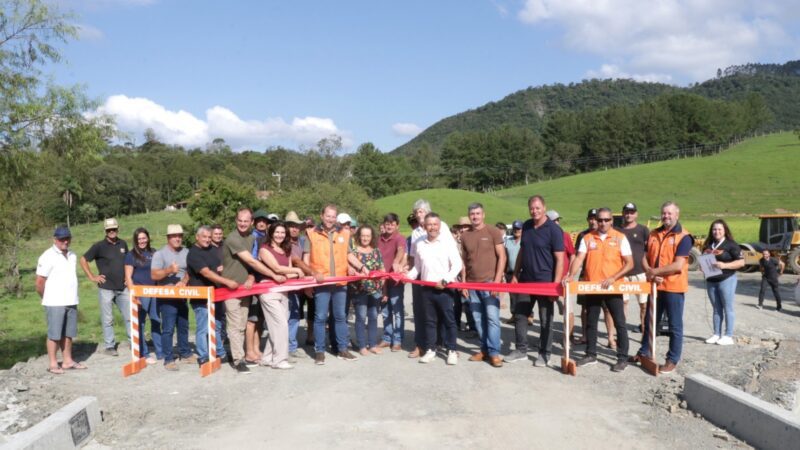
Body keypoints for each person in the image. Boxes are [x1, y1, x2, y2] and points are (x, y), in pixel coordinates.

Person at [566, 208, 633, 372]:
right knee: (591, 323)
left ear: (611, 220)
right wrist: (570, 275)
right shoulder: (588, 238)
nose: (603, 223)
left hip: (613, 287)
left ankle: (622, 358)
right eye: (600, 220)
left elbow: (629, 263)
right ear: (596, 220)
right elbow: (579, 258)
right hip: (593, 287)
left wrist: (614, 277)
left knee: (620, 323)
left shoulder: (620, 238)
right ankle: (591, 354)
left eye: (606, 220)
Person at [630, 201, 694, 374]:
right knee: (650, 322)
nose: (666, 216)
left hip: (673, 287)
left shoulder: (684, 237)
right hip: (655, 287)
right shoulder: (653, 234)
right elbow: (644, 257)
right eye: (664, 213)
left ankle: (672, 359)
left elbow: (678, 265)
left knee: (674, 326)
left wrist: (654, 272)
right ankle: (643, 352)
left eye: (669, 213)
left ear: (677, 214)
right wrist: (650, 272)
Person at [222, 208, 285, 374]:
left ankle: (241, 355)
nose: (243, 224)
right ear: (236, 221)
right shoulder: (232, 238)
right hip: (231, 289)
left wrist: (250, 276)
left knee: (242, 324)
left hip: (245, 288)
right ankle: (238, 360)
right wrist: (274, 275)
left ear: (251, 222)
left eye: (246, 221)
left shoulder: (250, 238)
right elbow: (252, 260)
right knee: (235, 325)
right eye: (240, 220)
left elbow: (250, 265)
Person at [507, 195, 564, 367]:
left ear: (544, 208)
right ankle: (521, 350)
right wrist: (516, 274)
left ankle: (545, 353)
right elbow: (522, 253)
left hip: (545, 283)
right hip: (526, 280)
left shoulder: (553, 230)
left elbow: (560, 259)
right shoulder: (527, 226)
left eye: (538, 208)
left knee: (546, 319)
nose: (535, 211)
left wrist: (555, 286)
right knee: (520, 315)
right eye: (532, 208)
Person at [304, 204, 358, 365]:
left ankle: (342, 349)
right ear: (322, 216)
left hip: (340, 282)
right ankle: (319, 351)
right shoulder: (311, 233)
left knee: (340, 316)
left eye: (333, 216)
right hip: (321, 282)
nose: (330, 219)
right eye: (328, 216)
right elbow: (306, 258)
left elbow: (349, 255)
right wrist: (309, 280)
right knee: (320, 317)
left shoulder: (344, 233)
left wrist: (361, 267)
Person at [405, 212, 462, 365]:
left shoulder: (447, 242)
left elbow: (457, 265)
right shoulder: (419, 243)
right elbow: (417, 267)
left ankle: (451, 350)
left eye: (435, 224)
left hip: (444, 288)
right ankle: (431, 349)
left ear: (439, 225)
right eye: (429, 224)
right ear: (424, 226)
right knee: (430, 321)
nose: (432, 227)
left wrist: (445, 280)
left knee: (449, 321)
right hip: (427, 288)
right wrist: (406, 276)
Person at [460, 203, 506, 367]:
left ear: (483, 215)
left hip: (490, 282)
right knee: (478, 320)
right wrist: (464, 284)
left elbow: (502, 257)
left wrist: (497, 281)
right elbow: (464, 262)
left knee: (492, 318)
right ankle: (484, 349)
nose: (475, 216)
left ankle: (494, 353)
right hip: (472, 285)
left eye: (478, 213)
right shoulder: (465, 236)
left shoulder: (493, 231)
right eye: (472, 214)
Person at [36, 226, 87, 374]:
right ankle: (53, 364)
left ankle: (67, 361)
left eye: (67, 238)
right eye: (61, 239)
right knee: (54, 334)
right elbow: (39, 282)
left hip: (71, 300)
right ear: (55, 240)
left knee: (68, 333)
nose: (65, 241)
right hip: (54, 302)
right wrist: (47, 297)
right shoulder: (47, 256)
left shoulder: (72, 255)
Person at [186, 226, 239, 366]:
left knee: (216, 326)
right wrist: (227, 281)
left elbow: (217, 268)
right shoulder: (193, 253)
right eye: (204, 237)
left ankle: (220, 353)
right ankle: (203, 356)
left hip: (216, 295)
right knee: (203, 328)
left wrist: (221, 270)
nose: (207, 239)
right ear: (197, 237)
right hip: (201, 297)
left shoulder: (212, 250)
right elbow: (206, 273)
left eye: (209, 237)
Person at [79, 218, 130, 356]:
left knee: (129, 316)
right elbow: (83, 259)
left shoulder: (123, 244)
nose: (112, 231)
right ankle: (109, 346)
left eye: (114, 229)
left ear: (118, 229)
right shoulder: (98, 246)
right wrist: (92, 276)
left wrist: (128, 277)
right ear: (105, 231)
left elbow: (128, 262)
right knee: (108, 319)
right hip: (106, 288)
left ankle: (134, 343)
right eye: (109, 230)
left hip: (123, 287)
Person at [258, 222, 305, 369]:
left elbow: (289, 270)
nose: (280, 235)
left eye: (282, 233)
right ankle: (280, 360)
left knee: (275, 326)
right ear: (271, 233)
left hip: (284, 291)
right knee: (281, 325)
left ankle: (267, 358)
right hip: (268, 291)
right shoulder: (264, 249)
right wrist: (297, 271)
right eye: (277, 232)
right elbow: (277, 269)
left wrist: (296, 274)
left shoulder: (286, 249)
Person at [151, 224, 193, 371]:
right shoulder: (160, 254)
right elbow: (154, 275)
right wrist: (169, 270)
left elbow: (191, 270)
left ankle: (185, 353)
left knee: (183, 326)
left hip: (182, 296)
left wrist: (184, 281)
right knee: (168, 328)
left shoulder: (187, 252)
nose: (178, 238)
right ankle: (168, 359)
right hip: (167, 297)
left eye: (180, 236)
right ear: (168, 238)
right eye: (174, 236)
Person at [123, 228, 163, 365]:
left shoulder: (154, 252)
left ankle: (160, 351)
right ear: (136, 240)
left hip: (154, 292)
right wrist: (134, 295)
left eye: (144, 238)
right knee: (139, 323)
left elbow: (158, 272)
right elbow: (128, 277)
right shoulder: (131, 255)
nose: (142, 241)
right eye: (139, 239)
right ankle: (144, 353)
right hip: (140, 292)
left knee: (156, 320)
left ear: (148, 238)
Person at [702, 220, 744, 346]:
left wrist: (724, 265)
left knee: (728, 307)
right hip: (711, 281)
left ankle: (728, 335)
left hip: (727, 279)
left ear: (724, 230)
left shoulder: (731, 245)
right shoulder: (708, 245)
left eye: (719, 229)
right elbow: (704, 259)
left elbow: (741, 262)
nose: (717, 232)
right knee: (716, 309)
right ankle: (716, 334)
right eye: (714, 229)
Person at [348, 225, 385, 355]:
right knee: (361, 317)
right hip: (359, 290)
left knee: (374, 317)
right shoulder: (353, 252)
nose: (365, 238)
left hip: (375, 290)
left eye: (368, 236)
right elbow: (349, 270)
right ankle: (362, 346)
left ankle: (373, 344)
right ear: (359, 236)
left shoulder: (376, 251)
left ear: (371, 237)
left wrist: (382, 281)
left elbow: (382, 269)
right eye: (363, 235)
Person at [616, 203, 650, 333]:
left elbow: (648, 251)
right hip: (622, 273)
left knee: (643, 304)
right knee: (623, 303)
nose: (629, 214)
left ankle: (644, 331)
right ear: (623, 213)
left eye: (632, 212)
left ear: (636, 214)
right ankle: (622, 332)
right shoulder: (617, 230)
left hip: (640, 273)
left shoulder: (643, 230)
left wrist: (648, 268)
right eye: (627, 212)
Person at [285, 211, 315, 357]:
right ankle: (285, 347)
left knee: (295, 315)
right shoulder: (282, 241)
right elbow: (296, 260)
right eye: (291, 226)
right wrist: (313, 274)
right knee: (285, 316)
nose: (294, 229)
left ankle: (290, 347)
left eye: (297, 226)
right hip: (284, 284)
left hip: (297, 285)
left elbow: (306, 258)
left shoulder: (302, 241)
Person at [376, 213, 406, 351]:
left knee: (397, 310)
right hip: (382, 280)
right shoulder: (379, 240)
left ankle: (398, 339)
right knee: (385, 310)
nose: (389, 226)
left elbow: (400, 250)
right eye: (387, 224)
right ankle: (387, 337)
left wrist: (396, 261)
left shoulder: (400, 238)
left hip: (395, 281)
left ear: (397, 226)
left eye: (392, 224)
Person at [246, 209, 271, 364]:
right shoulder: (251, 238)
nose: (262, 223)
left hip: (265, 282)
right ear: (254, 222)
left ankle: (257, 348)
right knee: (252, 318)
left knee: (260, 318)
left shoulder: (268, 238)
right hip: (253, 281)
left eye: (264, 221)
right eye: (259, 220)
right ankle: (249, 351)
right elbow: (251, 261)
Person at [571, 209, 598, 346]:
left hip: (601, 277)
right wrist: (571, 274)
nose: (593, 221)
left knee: (606, 309)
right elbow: (577, 257)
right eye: (591, 218)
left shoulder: (604, 234)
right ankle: (584, 335)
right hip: (584, 276)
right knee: (584, 308)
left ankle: (611, 337)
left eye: (595, 218)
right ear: (587, 219)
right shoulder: (582, 235)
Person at [504, 220, 524, 325]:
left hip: (522, 272)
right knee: (512, 295)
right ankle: (514, 314)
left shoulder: (525, 241)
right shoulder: (508, 241)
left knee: (523, 295)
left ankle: (528, 315)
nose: (517, 230)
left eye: (519, 228)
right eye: (515, 228)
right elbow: (504, 256)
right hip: (510, 272)